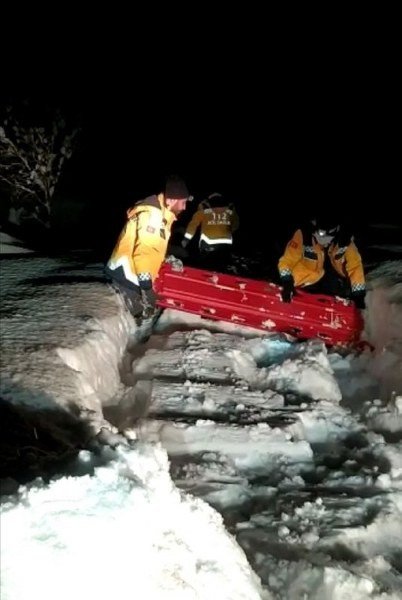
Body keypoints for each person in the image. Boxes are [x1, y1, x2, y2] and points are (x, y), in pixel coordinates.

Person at [105, 175, 192, 320]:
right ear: (170, 201)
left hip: (135, 273)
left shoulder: (164, 215)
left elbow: (154, 247)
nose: (184, 207)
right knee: (138, 315)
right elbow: (144, 251)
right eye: (182, 202)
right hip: (126, 274)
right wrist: (146, 286)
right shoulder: (153, 216)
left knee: (146, 313)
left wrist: (164, 259)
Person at [278, 218, 366, 308]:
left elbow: (355, 267)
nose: (324, 239)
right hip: (306, 277)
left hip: (334, 279)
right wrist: (287, 281)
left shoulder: (345, 241)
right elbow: (287, 260)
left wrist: (359, 295)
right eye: (321, 233)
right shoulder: (303, 235)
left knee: (340, 292)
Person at [181, 192, 239, 271]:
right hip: (226, 245)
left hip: (208, 244)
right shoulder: (230, 210)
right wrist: (227, 231)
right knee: (223, 268)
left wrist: (186, 240)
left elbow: (193, 224)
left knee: (206, 268)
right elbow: (236, 224)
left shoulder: (204, 209)